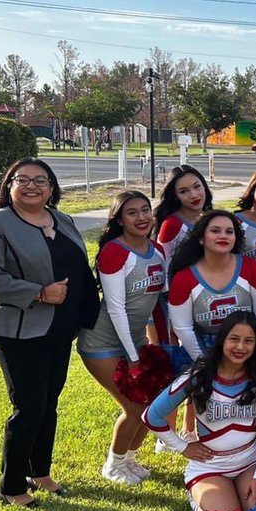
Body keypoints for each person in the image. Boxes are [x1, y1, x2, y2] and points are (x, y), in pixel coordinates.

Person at [0, 158, 99, 507]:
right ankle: (11, 486)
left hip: (59, 329)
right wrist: (39, 292)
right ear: (8, 185)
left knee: (50, 403)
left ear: (52, 187)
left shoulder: (64, 220)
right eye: (22, 179)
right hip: (16, 329)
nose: (32, 186)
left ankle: (39, 471)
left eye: (41, 180)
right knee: (29, 407)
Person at [144, 311, 256, 511]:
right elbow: (151, 416)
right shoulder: (199, 374)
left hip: (251, 460)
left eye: (249, 341)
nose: (241, 347)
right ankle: (198, 496)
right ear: (222, 339)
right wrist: (183, 447)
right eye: (234, 339)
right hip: (210, 466)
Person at [77, 191, 167, 485]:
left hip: (135, 340)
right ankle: (113, 464)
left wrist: (156, 345)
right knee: (134, 405)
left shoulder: (157, 251)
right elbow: (116, 309)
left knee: (153, 403)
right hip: (102, 342)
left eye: (145, 210)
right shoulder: (115, 252)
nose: (141, 218)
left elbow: (155, 303)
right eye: (132, 213)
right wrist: (134, 357)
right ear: (119, 219)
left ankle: (129, 459)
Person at [167, 210, 256, 363]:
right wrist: (204, 362)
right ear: (201, 238)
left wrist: (245, 344)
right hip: (201, 352)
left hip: (244, 350)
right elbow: (183, 328)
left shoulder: (251, 268)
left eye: (229, 232)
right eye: (215, 231)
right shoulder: (184, 277)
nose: (223, 236)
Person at [152, 164, 213, 263]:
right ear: (175, 196)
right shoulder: (171, 225)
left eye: (197, 186)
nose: (193, 195)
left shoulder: (213, 218)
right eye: (183, 191)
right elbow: (165, 266)